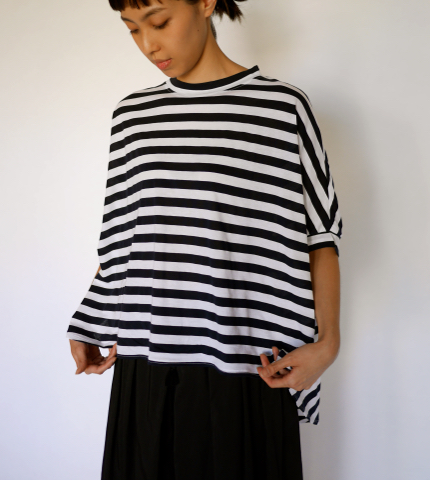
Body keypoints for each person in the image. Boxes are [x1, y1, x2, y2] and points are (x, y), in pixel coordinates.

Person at [67, 0, 342, 478]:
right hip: (149, 361)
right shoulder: (133, 117)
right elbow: (120, 240)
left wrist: (328, 343)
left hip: (250, 362)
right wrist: (90, 323)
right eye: (132, 29)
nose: (149, 44)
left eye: (159, 21)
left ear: (205, 3)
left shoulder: (281, 107)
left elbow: (320, 235)